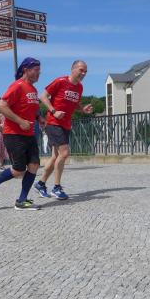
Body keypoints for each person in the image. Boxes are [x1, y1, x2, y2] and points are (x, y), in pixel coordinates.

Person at [0, 57, 45, 210]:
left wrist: (39, 118)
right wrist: (20, 121)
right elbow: (1, 106)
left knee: (34, 165)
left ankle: (22, 201)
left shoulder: (33, 90)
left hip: (29, 134)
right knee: (18, 170)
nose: (39, 73)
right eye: (36, 70)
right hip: (14, 134)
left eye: (39, 70)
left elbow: (32, 108)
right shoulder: (17, 86)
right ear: (26, 70)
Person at [35, 60, 93, 200]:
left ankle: (41, 184)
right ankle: (56, 188)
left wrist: (82, 109)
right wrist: (54, 111)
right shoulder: (60, 81)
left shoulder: (79, 87)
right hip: (54, 122)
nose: (83, 73)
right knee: (65, 153)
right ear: (73, 69)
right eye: (81, 70)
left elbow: (74, 103)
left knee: (56, 157)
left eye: (85, 71)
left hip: (65, 124)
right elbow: (43, 96)